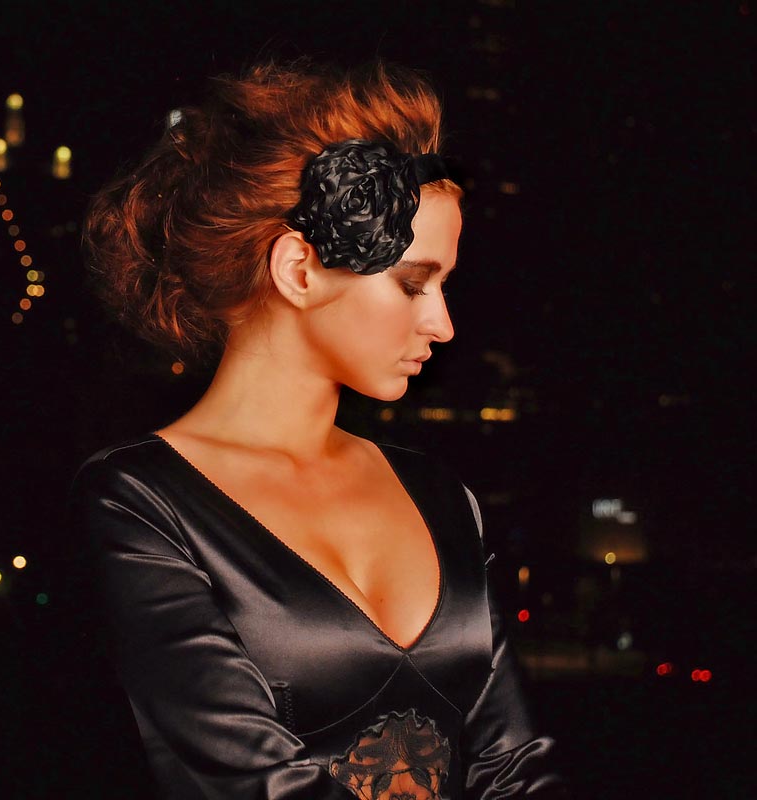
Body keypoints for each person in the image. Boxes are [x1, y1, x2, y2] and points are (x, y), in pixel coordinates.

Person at [66, 60, 570, 799]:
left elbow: (515, 766)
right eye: (413, 282)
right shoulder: (139, 502)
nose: (442, 323)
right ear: (299, 269)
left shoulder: (438, 495)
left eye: (444, 285)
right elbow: (252, 784)